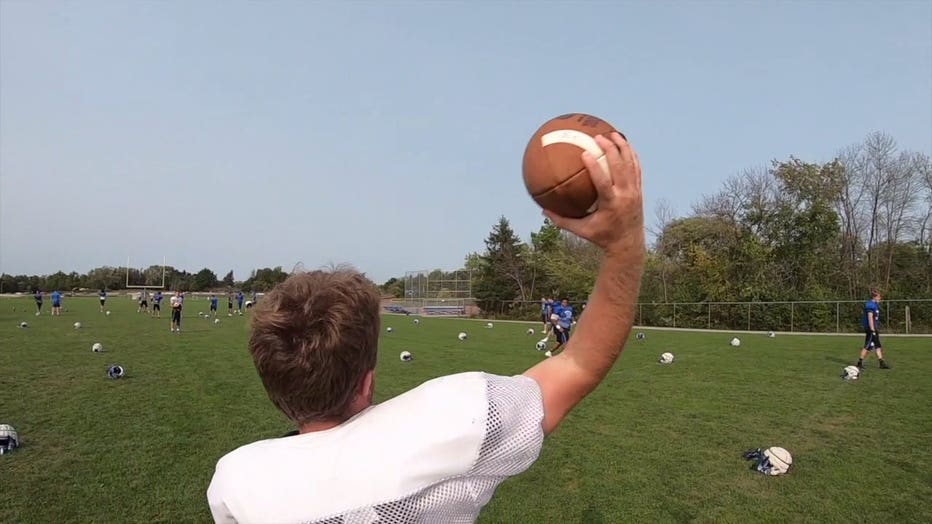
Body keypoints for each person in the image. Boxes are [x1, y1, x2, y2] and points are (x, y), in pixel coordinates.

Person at [206, 132, 645, 523]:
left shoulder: (236, 483)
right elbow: (580, 363)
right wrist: (624, 243)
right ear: (366, 381)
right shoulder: (458, 420)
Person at [856, 290, 890, 370]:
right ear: (874, 297)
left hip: (874, 328)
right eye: (879, 297)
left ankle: (881, 362)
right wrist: (872, 329)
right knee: (867, 346)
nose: (880, 298)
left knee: (878, 345)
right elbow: (870, 317)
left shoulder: (875, 305)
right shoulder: (870, 305)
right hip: (871, 329)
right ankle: (859, 363)